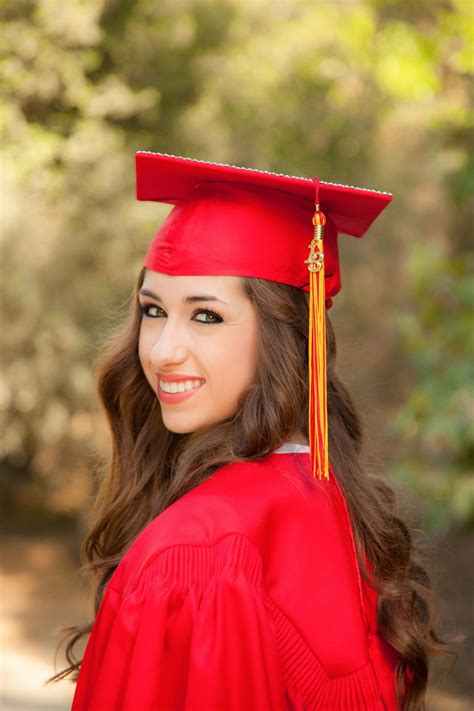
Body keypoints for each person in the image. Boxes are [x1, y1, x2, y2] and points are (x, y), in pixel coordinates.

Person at [47, 152, 449, 709]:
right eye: (153, 310)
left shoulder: (193, 551)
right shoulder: (337, 504)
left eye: (206, 316)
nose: (162, 350)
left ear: (287, 337)